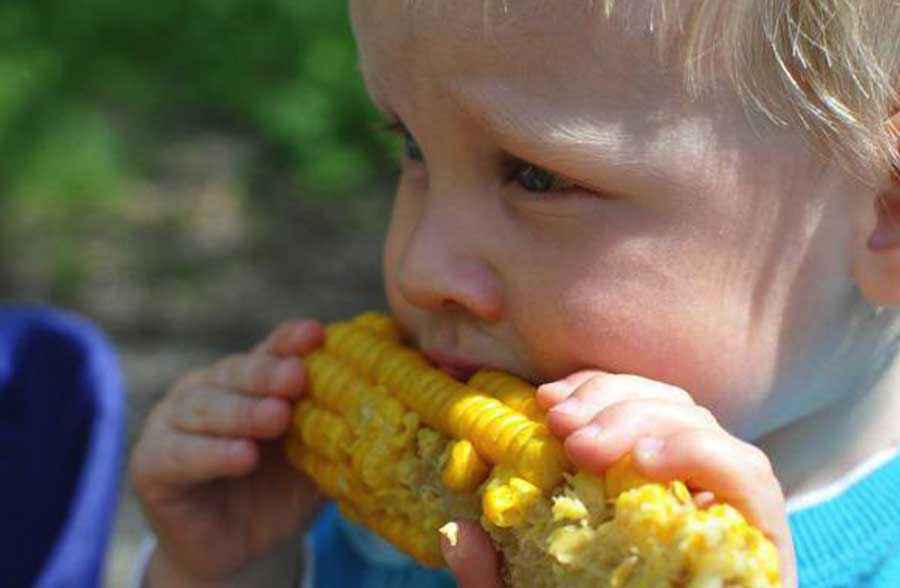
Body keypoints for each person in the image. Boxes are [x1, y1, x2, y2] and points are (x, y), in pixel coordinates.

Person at [129, 1, 900, 587]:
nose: (420, 266)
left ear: (886, 215)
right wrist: (230, 570)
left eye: (537, 177)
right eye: (411, 146)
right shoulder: (386, 531)